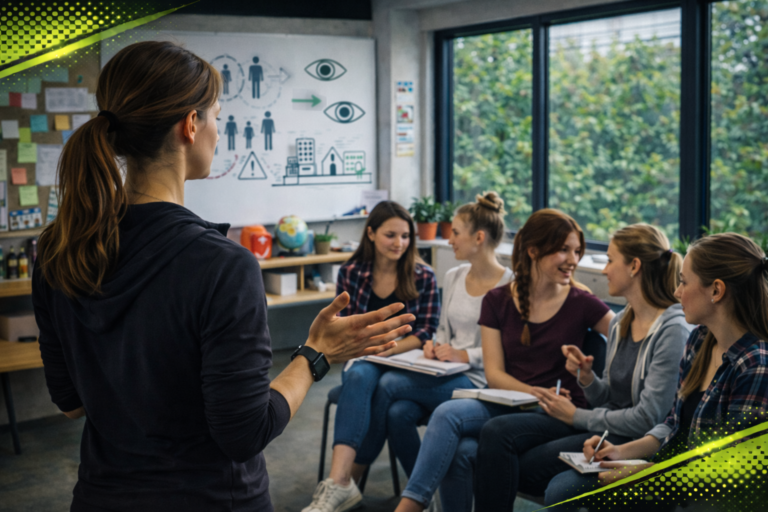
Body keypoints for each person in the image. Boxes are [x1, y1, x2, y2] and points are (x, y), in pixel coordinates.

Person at [31, 41, 414, 512]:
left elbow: (71, 403)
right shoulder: (222, 265)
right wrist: (316, 354)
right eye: (216, 116)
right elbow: (245, 433)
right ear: (190, 125)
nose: (218, 131)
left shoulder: (58, 251)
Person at [393, 209, 615, 512]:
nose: (573, 260)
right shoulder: (497, 300)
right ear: (533, 251)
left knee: (454, 427)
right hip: (509, 401)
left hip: (556, 412)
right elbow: (495, 374)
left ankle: (408, 508)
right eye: (564, 249)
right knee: (453, 431)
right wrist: (536, 392)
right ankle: (415, 505)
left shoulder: (582, 302)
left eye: (577, 251)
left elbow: (628, 337)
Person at [473, 224, 692, 511]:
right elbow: (608, 397)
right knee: (506, 450)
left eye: (610, 260)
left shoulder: (672, 330)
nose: (604, 270)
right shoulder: (622, 321)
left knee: (523, 468)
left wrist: (576, 416)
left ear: (634, 266)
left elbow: (647, 418)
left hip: (637, 439)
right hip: (608, 427)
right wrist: (586, 377)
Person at [545, 232, 768, 511]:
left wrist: (647, 474)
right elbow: (673, 424)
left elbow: (732, 472)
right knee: (564, 488)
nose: (677, 292)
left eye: (684, 282)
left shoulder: (755, 365)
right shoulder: (699, 340)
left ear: (716, 291)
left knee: (570, 492)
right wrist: (619, 452)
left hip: (709, 497)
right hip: (673, 473)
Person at [303, 201, 440, 512]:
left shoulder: (424, 275)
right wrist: (372, 349)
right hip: (363, 356)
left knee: (382, 387)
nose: (399, 243)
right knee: (362, 376)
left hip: (406, 360)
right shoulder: (351, 273)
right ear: (371, 234)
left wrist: (385, 348)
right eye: (391, 235)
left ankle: (343, 484)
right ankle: (350, 483)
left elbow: (427, 331)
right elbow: (344, 328)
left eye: (405, 236)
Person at [379, 193, 513, 478]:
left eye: (455, 233)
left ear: (479, 237)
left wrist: (464, 355)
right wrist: (434, 345)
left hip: (479, 379)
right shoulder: (453, 275)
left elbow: (509, 349)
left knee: (389, 383)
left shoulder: (510, 284)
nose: (449, 239)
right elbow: (442, 329)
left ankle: (359, 469)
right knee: (397, 413)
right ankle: (423, 491)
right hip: (443, 371)